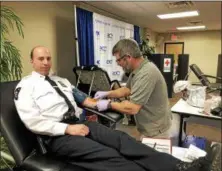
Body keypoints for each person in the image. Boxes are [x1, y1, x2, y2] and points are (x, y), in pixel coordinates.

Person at [14, 46, 220, 171]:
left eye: (48, 58)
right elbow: (33, 121)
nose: (45, 62)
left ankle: (180, 167)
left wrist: (104, 98)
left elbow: (85, 100)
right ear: (32, 61)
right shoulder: (25, 87)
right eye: (40, 58)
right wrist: (67, 129)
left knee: (123, 139)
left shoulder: (62, 81)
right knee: (109, 155)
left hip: (81, 124)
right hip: (59, 136)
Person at [94, 38, 172, 139]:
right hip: (147, 126)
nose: (118, 63)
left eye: (118, 60)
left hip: (156, 130)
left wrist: (108, 105)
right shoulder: (137, 70)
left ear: (128, 57)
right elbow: (127, 90)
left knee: (152, 154)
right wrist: (106, 93)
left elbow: (132, 108)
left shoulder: (146, 73)